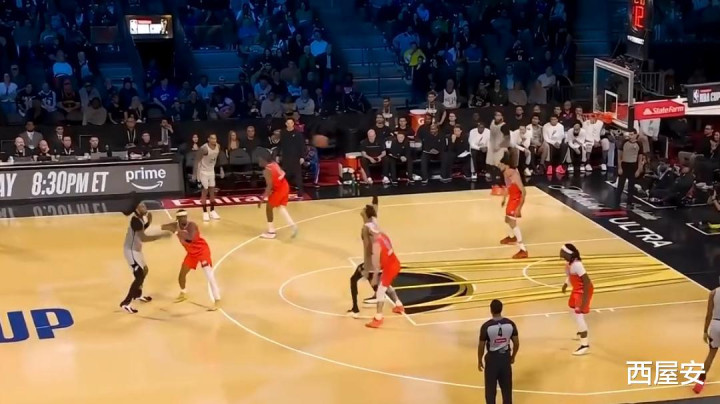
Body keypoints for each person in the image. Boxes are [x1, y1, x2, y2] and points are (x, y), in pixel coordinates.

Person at [161, 210, 221, 310]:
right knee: (181, 275)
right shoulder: (175, 225)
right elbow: (162, 227)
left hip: (202, 251)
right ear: (178, 219)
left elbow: (190, 238)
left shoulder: (191, 225)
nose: (184, 219)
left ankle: (217, 300)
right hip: (191, 253)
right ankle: (183, 293)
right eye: (182, 217)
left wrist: (176, 231)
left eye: (185, 216)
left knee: (209, 275)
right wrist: (153, 229)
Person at [120, 198, 171, 313]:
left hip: (137, 250)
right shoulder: (135, 220)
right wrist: (161, 236)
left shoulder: (140, 219)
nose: (145, 207)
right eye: (142, 206)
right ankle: (126, 303)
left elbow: (141, 231)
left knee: (145, 270)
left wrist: (148, 222)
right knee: (139, 276)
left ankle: (137, 295)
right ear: (137, 209)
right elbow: (143, 238)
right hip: (131, 251)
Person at [364, 203, 405, 328]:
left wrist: (374, 276)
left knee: (380, 291)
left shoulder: (377, 246)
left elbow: (377, 264)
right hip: (394, 263)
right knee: (386, 286)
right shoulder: (383, 236)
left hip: (390, 268)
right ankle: (399, 305)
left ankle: (378, 318)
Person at [478, 299, 519, 404]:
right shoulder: (510, 324)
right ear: (501, 309)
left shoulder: (486, 326)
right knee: (507, 390)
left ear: (491, 310)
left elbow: (481, 346)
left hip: (492, 360)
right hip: (505, 359)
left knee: (490, 391)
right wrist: (513, 356)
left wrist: (479, 360)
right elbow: (516, 343)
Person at [347, 196, 380, 317]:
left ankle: (355, 309)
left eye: (363, 209)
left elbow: (368, 248)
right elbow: (376, 207)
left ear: (366, 214)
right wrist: (375, 196)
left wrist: (367, 266)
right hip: (377, 259)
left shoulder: (365, 228)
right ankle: (380, 295)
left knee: (353, 279)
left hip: (370, 261)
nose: (361, 210)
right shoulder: (374, 221)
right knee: (372, 280)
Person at [560, 243, 594, 355]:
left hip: (583, 291)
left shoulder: (577, 265)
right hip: (577, 290)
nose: (560, 253)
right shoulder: (569, 264)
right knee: (573, 309)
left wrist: (584, 300)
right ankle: (581, 331)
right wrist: (565, 284)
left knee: (579, 315)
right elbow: (570, 276)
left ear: (568, 253)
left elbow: (587, 282)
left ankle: (585, 344)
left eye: (562, 252)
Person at [258, 150, 298, 239]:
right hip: (285, 186)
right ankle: (293, 226)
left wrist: (262, 199)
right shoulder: (274, 164)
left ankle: (271, 232)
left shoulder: (267, 171)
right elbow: (281, 174)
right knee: (280, 207)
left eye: (260, 159)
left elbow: (269, 186)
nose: (259, 161)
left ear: (264, 159)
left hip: (279, 189)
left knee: (269, 208)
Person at [498, 154, 527, 259]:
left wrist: (519, 208)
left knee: (512, 222)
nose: (499, 166)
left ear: (506, 165)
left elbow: (523, 191)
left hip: (516, 199)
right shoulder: (506, 173)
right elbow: (507, 187)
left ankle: (523, 249)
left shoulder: (514, 174)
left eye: (500, 164)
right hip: (512, 198)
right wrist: (504, 199)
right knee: (507, 219)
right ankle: (512, 237)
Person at [692, 287, 720, 394]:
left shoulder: (713, 293)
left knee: (711, 355)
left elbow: (709, 314)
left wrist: (705, 331)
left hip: (715, 325)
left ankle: (700, 383)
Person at [193, 133, 221, 221]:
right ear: (208, 139)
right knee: (205, 191)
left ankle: (212, 210)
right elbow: (196, 161)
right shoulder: (204, 149)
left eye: (215, 138)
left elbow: (216, 159)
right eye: (212, 138)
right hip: (203, 172)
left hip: (211, 171)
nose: (214, 140)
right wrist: (194, 174)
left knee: (212, 191)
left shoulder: (218, 147)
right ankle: (205, 212)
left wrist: (221, 168)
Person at [614, 129, 645, 209]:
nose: (630, 136)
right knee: (620, 185)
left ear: (636, 135)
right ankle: (616, 202)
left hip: (633, 166)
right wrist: (619, 167)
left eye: (631, 134)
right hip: (624, 165)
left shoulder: (639, 144)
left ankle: (629, 203)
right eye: (629, 134)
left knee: (631, 186)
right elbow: (619, 156)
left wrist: (638, 169)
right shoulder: (624, 142)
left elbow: (640, 158)